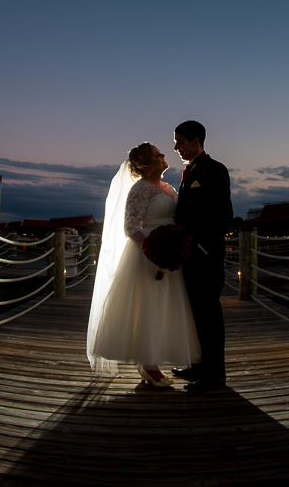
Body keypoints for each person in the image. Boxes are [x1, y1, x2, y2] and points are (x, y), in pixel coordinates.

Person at [86, 142, 201, 387]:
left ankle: (152, 361)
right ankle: (149, 366)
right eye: (159, 155)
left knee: (165, 307)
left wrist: (175, 247)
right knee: (149, 307)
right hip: (147, 256)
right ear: (149, 164)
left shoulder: (169, 188)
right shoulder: (140, 189)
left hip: (170, 255)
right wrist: (153, 249)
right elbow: (130, 227)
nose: (164, 156)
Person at [171, 120, 233, 392]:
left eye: (180, 142)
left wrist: (200, 245)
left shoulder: (214, 169)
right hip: (189, 255)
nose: (175, 147)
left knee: (209, 314)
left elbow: (223, 215)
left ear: (195, 141)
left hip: (205, 254)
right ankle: (198, 366)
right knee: (195, 313)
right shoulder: (188, 172)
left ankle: (215, 375)